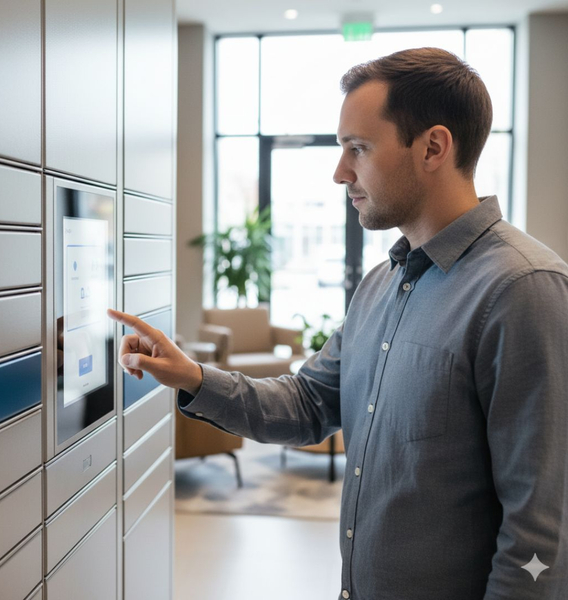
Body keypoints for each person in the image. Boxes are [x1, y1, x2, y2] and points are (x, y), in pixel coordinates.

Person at [108, 47, 568, 600]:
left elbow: (542, 534)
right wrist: (193, 377)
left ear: (433, 147)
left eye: (359, 148)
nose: (339, 172)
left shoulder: (523, 290)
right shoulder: (379, 285)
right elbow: (307, 405)